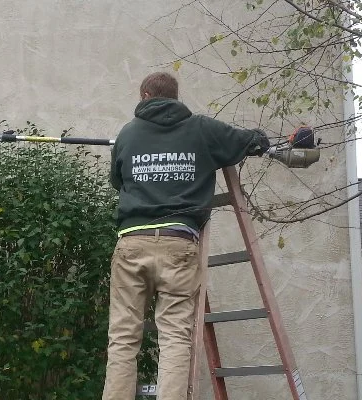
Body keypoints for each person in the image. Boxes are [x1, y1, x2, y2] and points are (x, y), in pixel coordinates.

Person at [103, 72, 270, 400]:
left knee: (123, 338)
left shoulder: (128, 134)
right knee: (175, 337)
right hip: (179, 242)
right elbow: (249, 141)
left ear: (146, 95)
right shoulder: (202, 130)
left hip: (132, 243)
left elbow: (117, 181)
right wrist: (261, 140)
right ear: (175, 97)